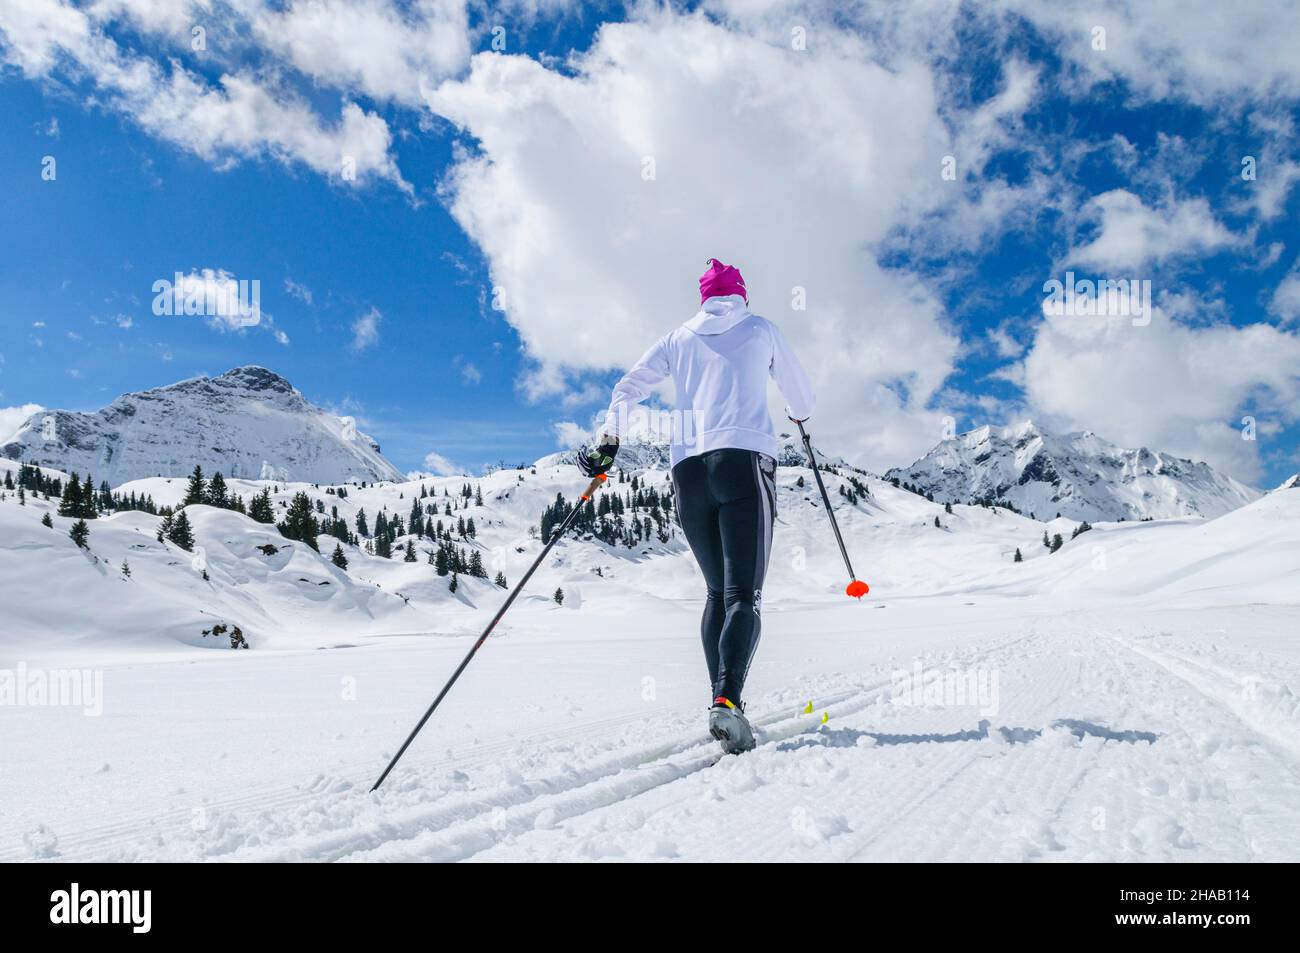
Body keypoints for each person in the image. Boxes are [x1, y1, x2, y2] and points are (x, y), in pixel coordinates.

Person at [579, 258, 814, 753]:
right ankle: (726, 701)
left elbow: (628, 388)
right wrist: (796, 414)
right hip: (743, 462)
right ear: (741, 294)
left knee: (714, 594)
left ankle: (724, 704)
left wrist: (609, 439)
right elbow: (801, 400)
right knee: (741, 596)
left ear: (703, 298)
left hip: (688, 472)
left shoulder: (676, 339)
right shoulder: (760, 328)